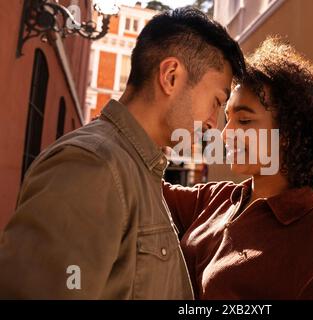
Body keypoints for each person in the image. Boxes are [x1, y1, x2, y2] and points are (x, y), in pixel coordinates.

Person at [0, 7, 245, 299]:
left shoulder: (138, 170)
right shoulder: (93, 167)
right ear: (170, 76)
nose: (212, 122)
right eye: (217, 101)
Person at [163, 37, 313, 299]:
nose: (225, 134)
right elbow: (143, 185)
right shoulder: (218, 199)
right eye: (228, 119)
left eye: (244, 120)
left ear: (288, 133)